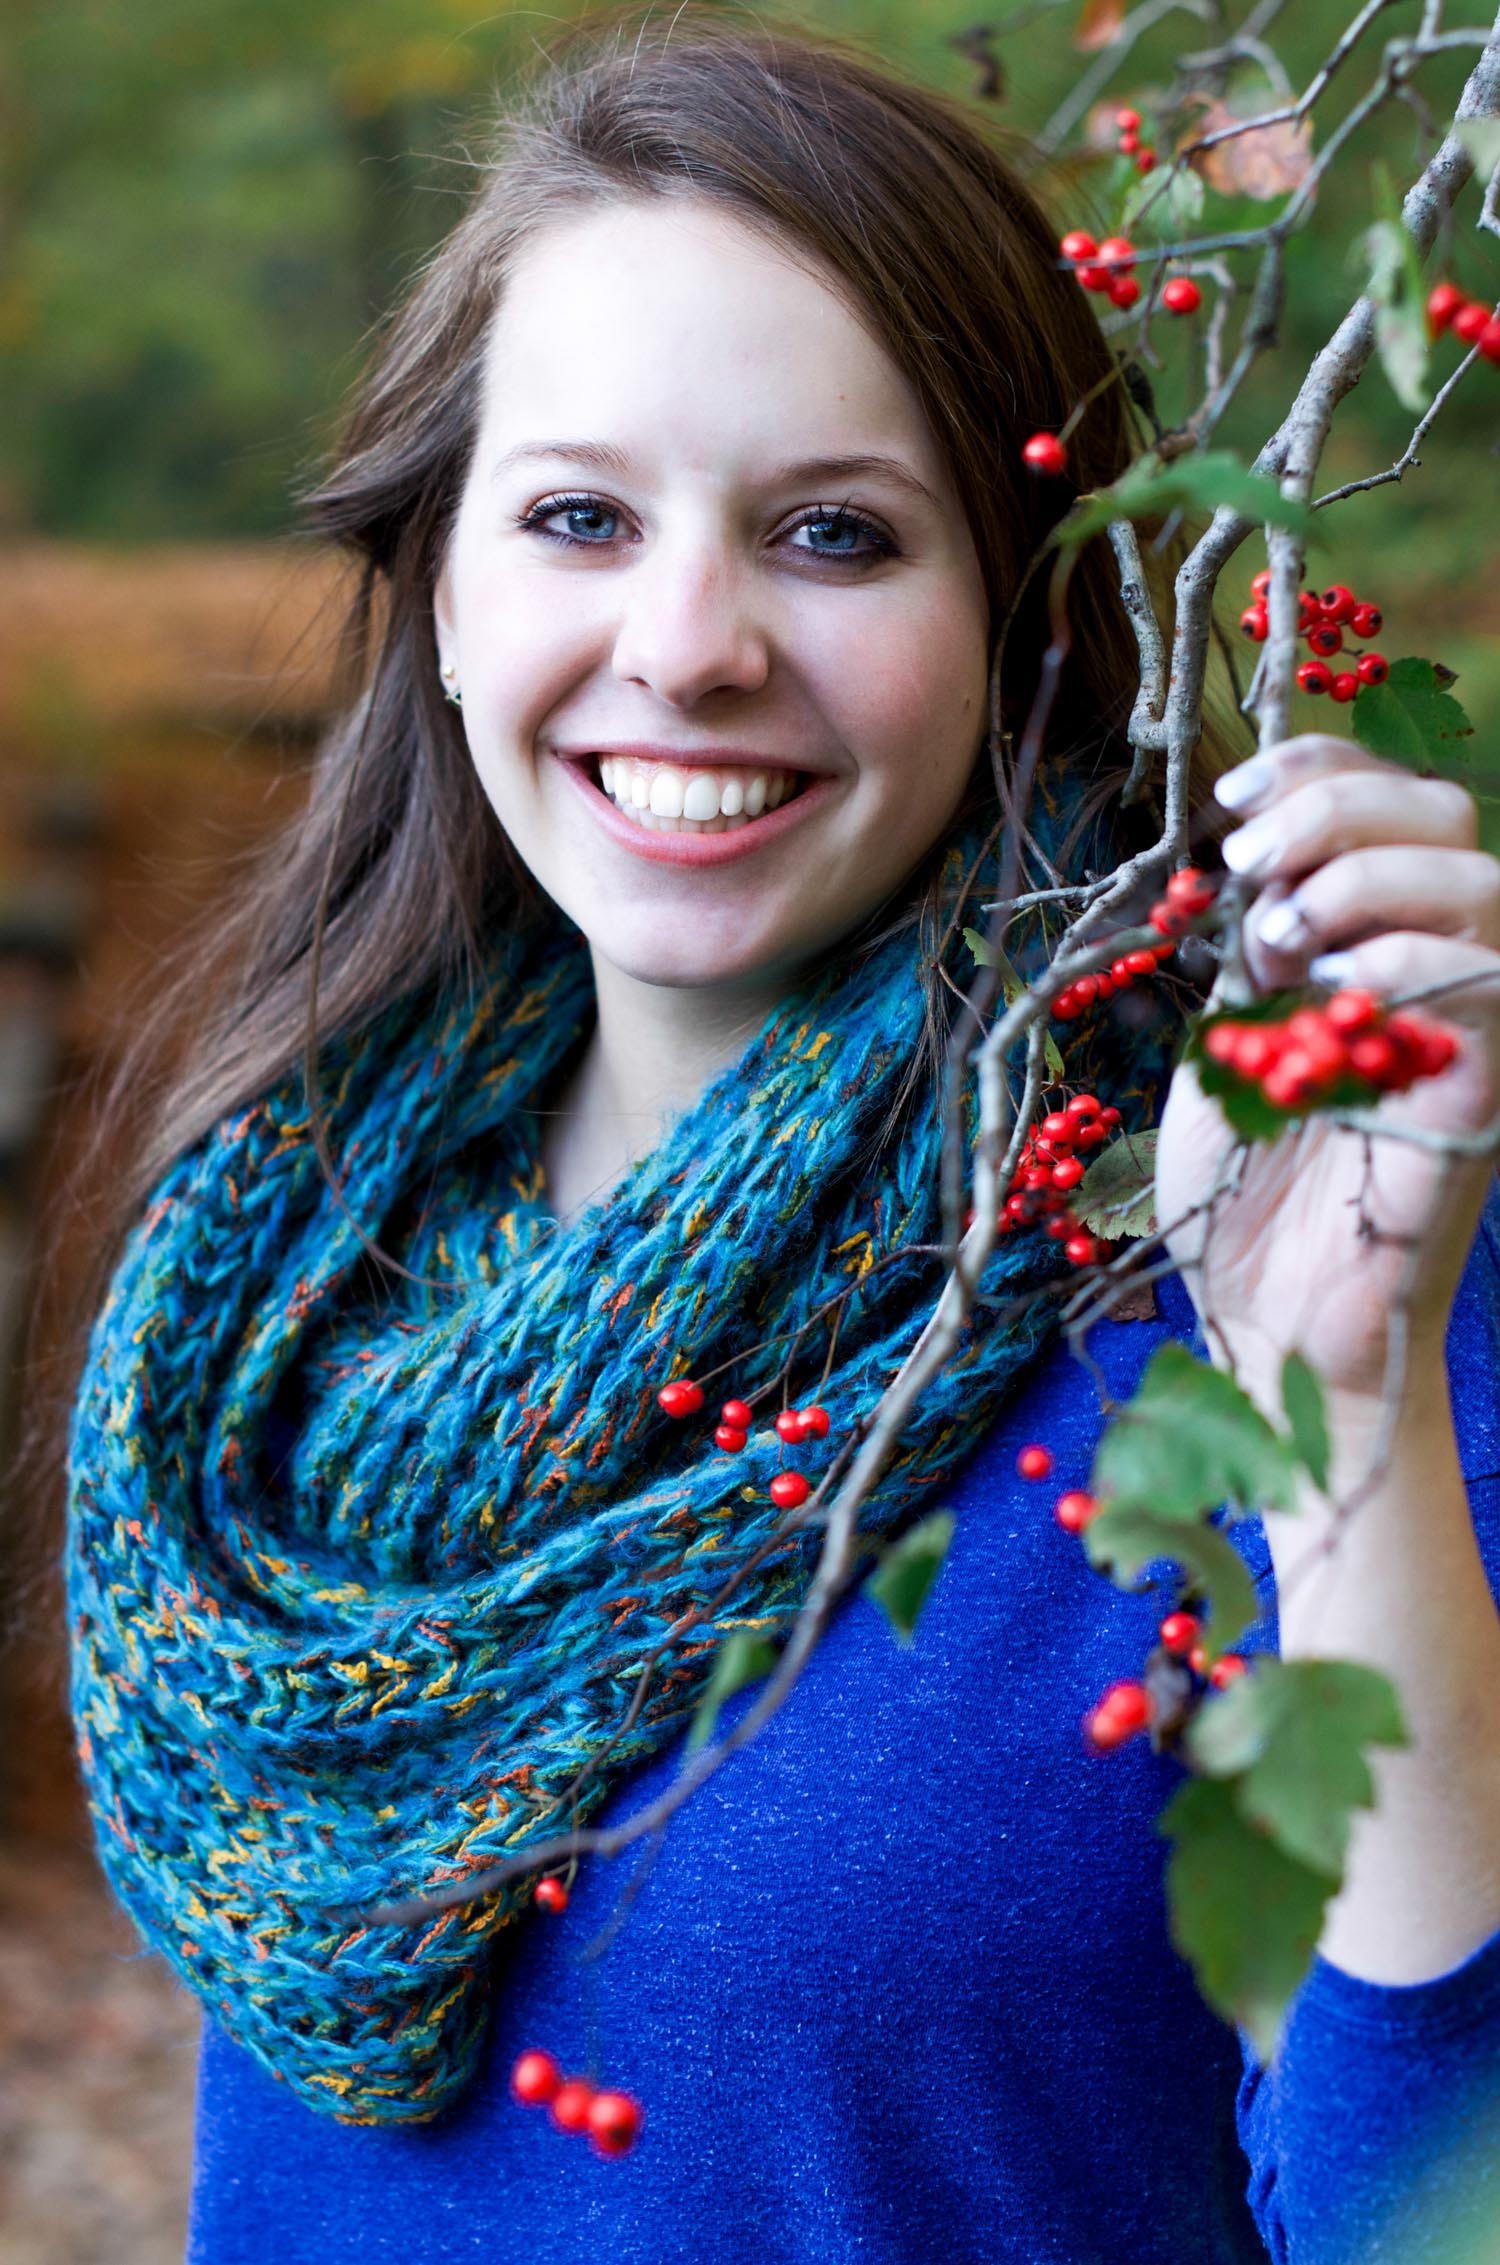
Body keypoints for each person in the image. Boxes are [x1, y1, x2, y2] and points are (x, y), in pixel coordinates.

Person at [59, 10, 1500, 2262]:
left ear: (1029, 624)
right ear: (444, 589)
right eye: (577, 518)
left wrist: (1345, 1436)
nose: (692, 641)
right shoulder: (278, 1283)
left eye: (835, 532)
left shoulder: (1307, 1269)